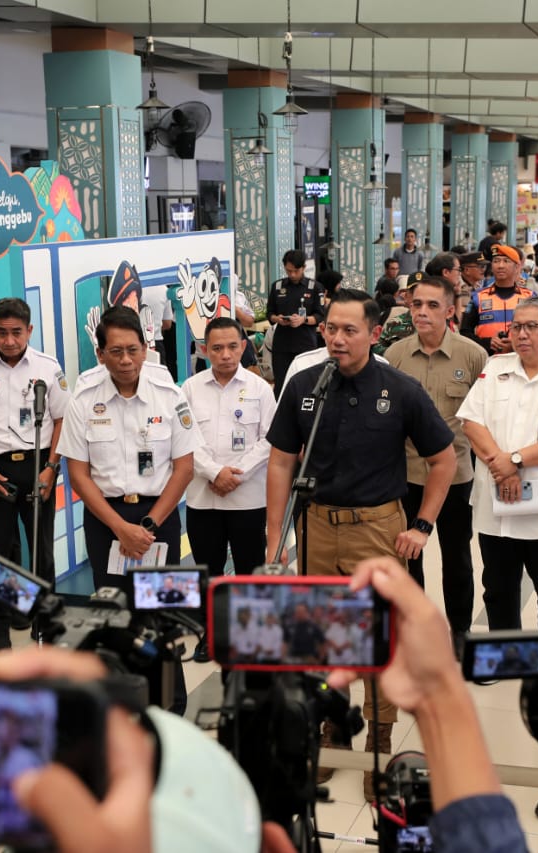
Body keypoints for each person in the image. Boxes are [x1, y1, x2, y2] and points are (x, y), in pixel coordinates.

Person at [266, 287, 455, 797]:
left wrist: (422, 525)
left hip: (378, 527)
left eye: (350, 330)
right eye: (331, 328)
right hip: (315, 527)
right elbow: (282, 460)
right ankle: (333, 734)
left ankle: (381, 742)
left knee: (377, 637)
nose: (337, 338)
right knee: (323, 637)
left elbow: (444, 459)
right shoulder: (306, 385)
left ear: (375, 334)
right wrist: (273, 538)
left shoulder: (401, 388)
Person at [56, 306, 200, 598]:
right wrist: (121, 528)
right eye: (116, 351)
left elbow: (184, 469)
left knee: (161, 609)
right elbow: (78, 475)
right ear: (100, 355)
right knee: (112, 610)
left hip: (159, 516)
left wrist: (147, 526)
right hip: (105, 519)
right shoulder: (83, 401)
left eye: (133, 350)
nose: (125, 360)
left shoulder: (170, 396)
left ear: (145, 350)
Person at [459, 297, 538, 632]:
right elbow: (471, 422)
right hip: (496, 501)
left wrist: (512, 461)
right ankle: (504, 655)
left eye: (532, 326)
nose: (522, 334)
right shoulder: (496, 367)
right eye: (516, 326)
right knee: (498, 588)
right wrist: (502, 466)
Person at [0, 297, 70, 652]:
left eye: (16, 333)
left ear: (29, 331)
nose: (8, 340)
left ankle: (43, 620)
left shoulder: (48, 368)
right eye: (2, 333)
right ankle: (0, 626)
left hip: (38, 467)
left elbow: (63, 421)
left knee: (42, 550)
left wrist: (52, 468)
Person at [384, 274, 485, 635]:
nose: (422, 312)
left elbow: (484, 417)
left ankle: (459, 634)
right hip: (405, 477)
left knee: (457, 560)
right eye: (416, 304)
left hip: (457, 479)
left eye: (431, 305)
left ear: (451, 310)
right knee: (408, 559)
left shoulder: (473, 355)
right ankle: (417, 634)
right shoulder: (394, 356)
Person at [182, 317, 274, 582]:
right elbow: (183, 439)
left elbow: (270, 439)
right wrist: (214, 473)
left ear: (243, 346)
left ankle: (248, 624)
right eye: (217, 348)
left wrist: (236, 475)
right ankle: (211, 623)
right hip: (203, 500)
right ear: (204, 350)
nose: (225, 355)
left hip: (248, 500)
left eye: (233, 347)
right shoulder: (190, 389)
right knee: (207, 575)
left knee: (251, 573)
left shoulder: (260, 389)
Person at [265, 249, 325, 389]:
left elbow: (320, 315)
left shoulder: (314, 287)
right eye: (288, 271)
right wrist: (277, 319)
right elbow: (270, 313)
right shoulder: (278, 286)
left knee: (306, 383)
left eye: (295, 271)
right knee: (282, 384)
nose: (292, 274)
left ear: (303, 267)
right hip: (282, 345)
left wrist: (303, 320)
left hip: (305, 344)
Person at [468, 244, 535, 356]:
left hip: (521, 361)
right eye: (496, 261)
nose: (500, 266)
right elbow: (465, 332)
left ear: (517, 267)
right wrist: (487, 342)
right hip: (487, 361)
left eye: (506, 261)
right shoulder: (477, 297)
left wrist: (515, 345)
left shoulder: (530, 298)